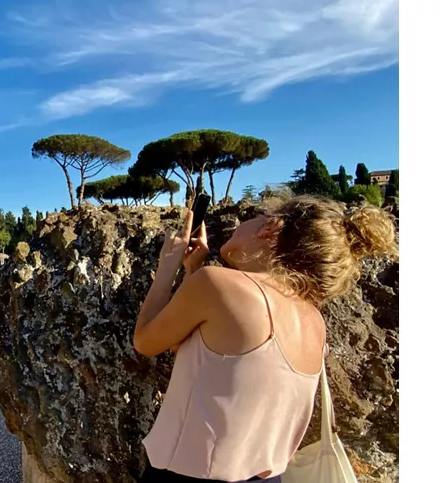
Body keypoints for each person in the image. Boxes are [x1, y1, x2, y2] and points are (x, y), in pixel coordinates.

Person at [133, 195, 397, 483]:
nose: (240, 224)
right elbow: (203, 354)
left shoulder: (217, 284)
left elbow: (146, 341)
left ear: (270, 228)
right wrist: (192, 271)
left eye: (254, 217)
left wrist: (167, 268)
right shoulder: (314, 320)